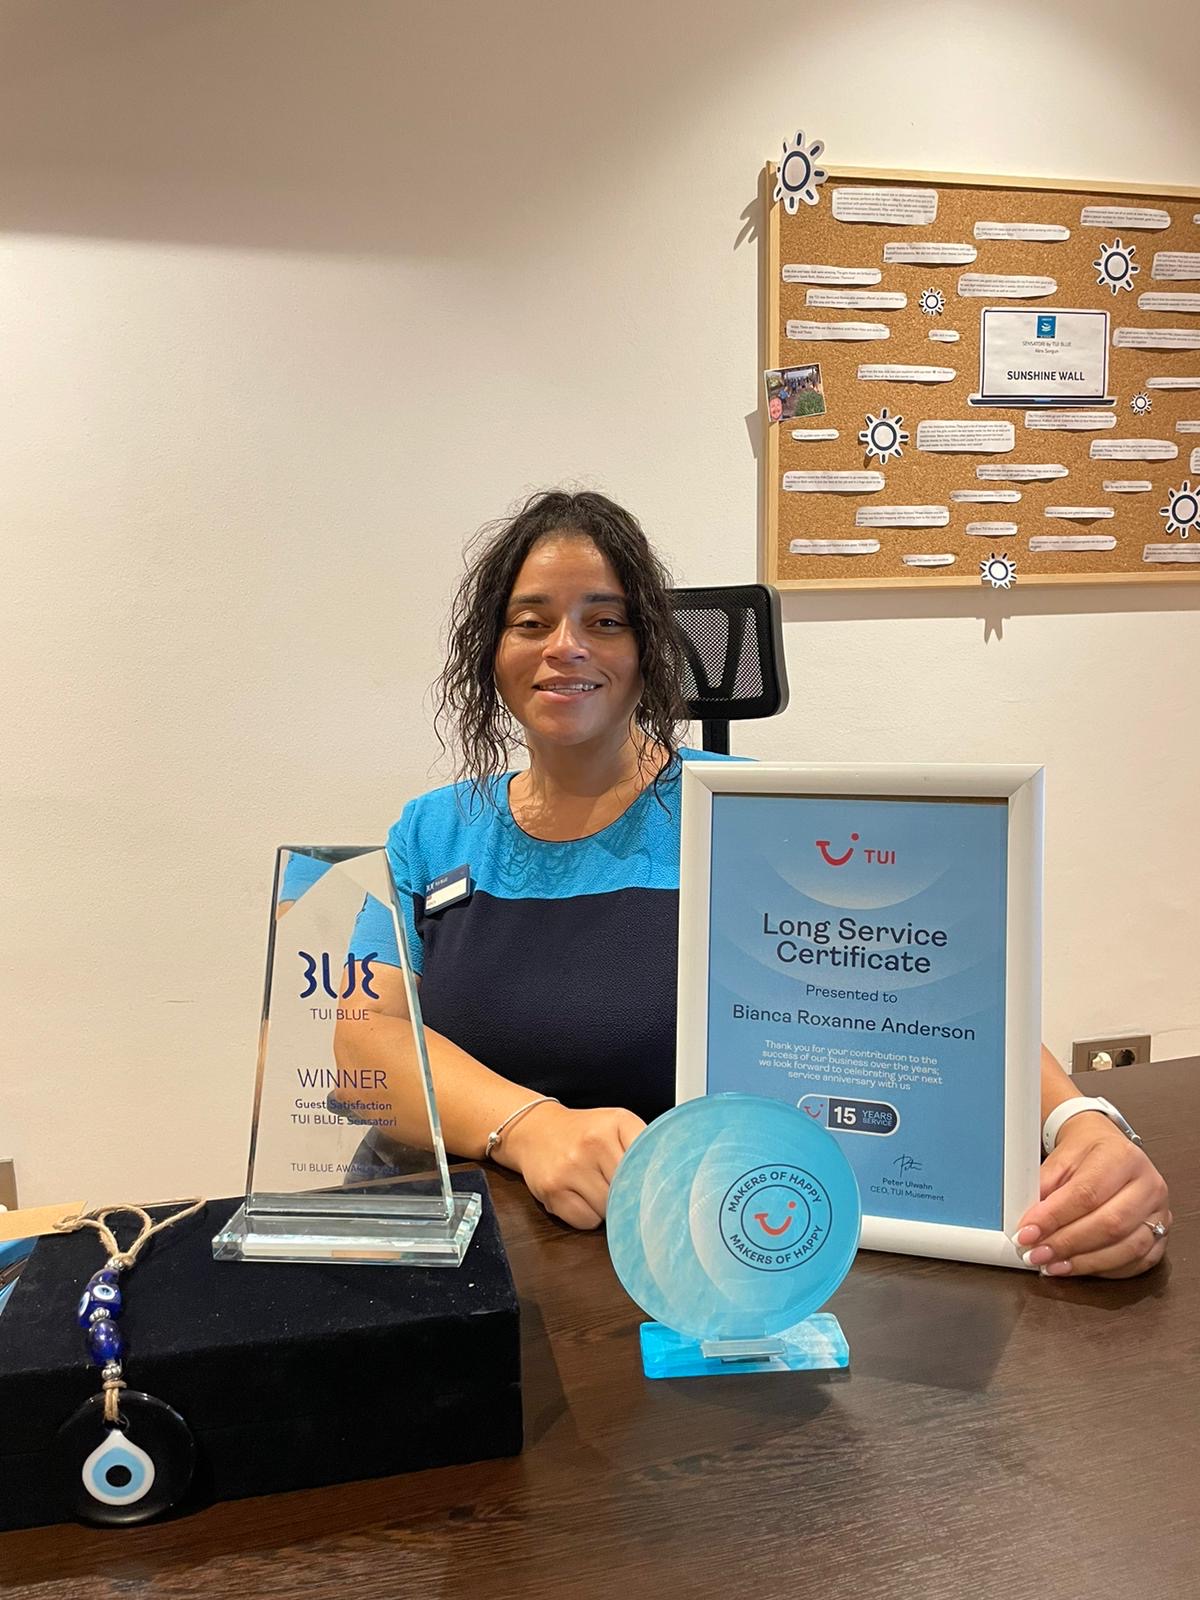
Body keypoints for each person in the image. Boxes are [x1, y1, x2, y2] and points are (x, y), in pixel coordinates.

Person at [334, 489, 1170, 1277]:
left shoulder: (753, 815)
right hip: (478, 1248)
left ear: (648, 649)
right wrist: (531, 1128)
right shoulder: (430, 829)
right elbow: (361, 1044)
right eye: (531, 621)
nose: (566, 646)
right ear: (493, 652)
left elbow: (922, 992)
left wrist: (1079, 1121)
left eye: (605, 620)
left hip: (698, 1254)